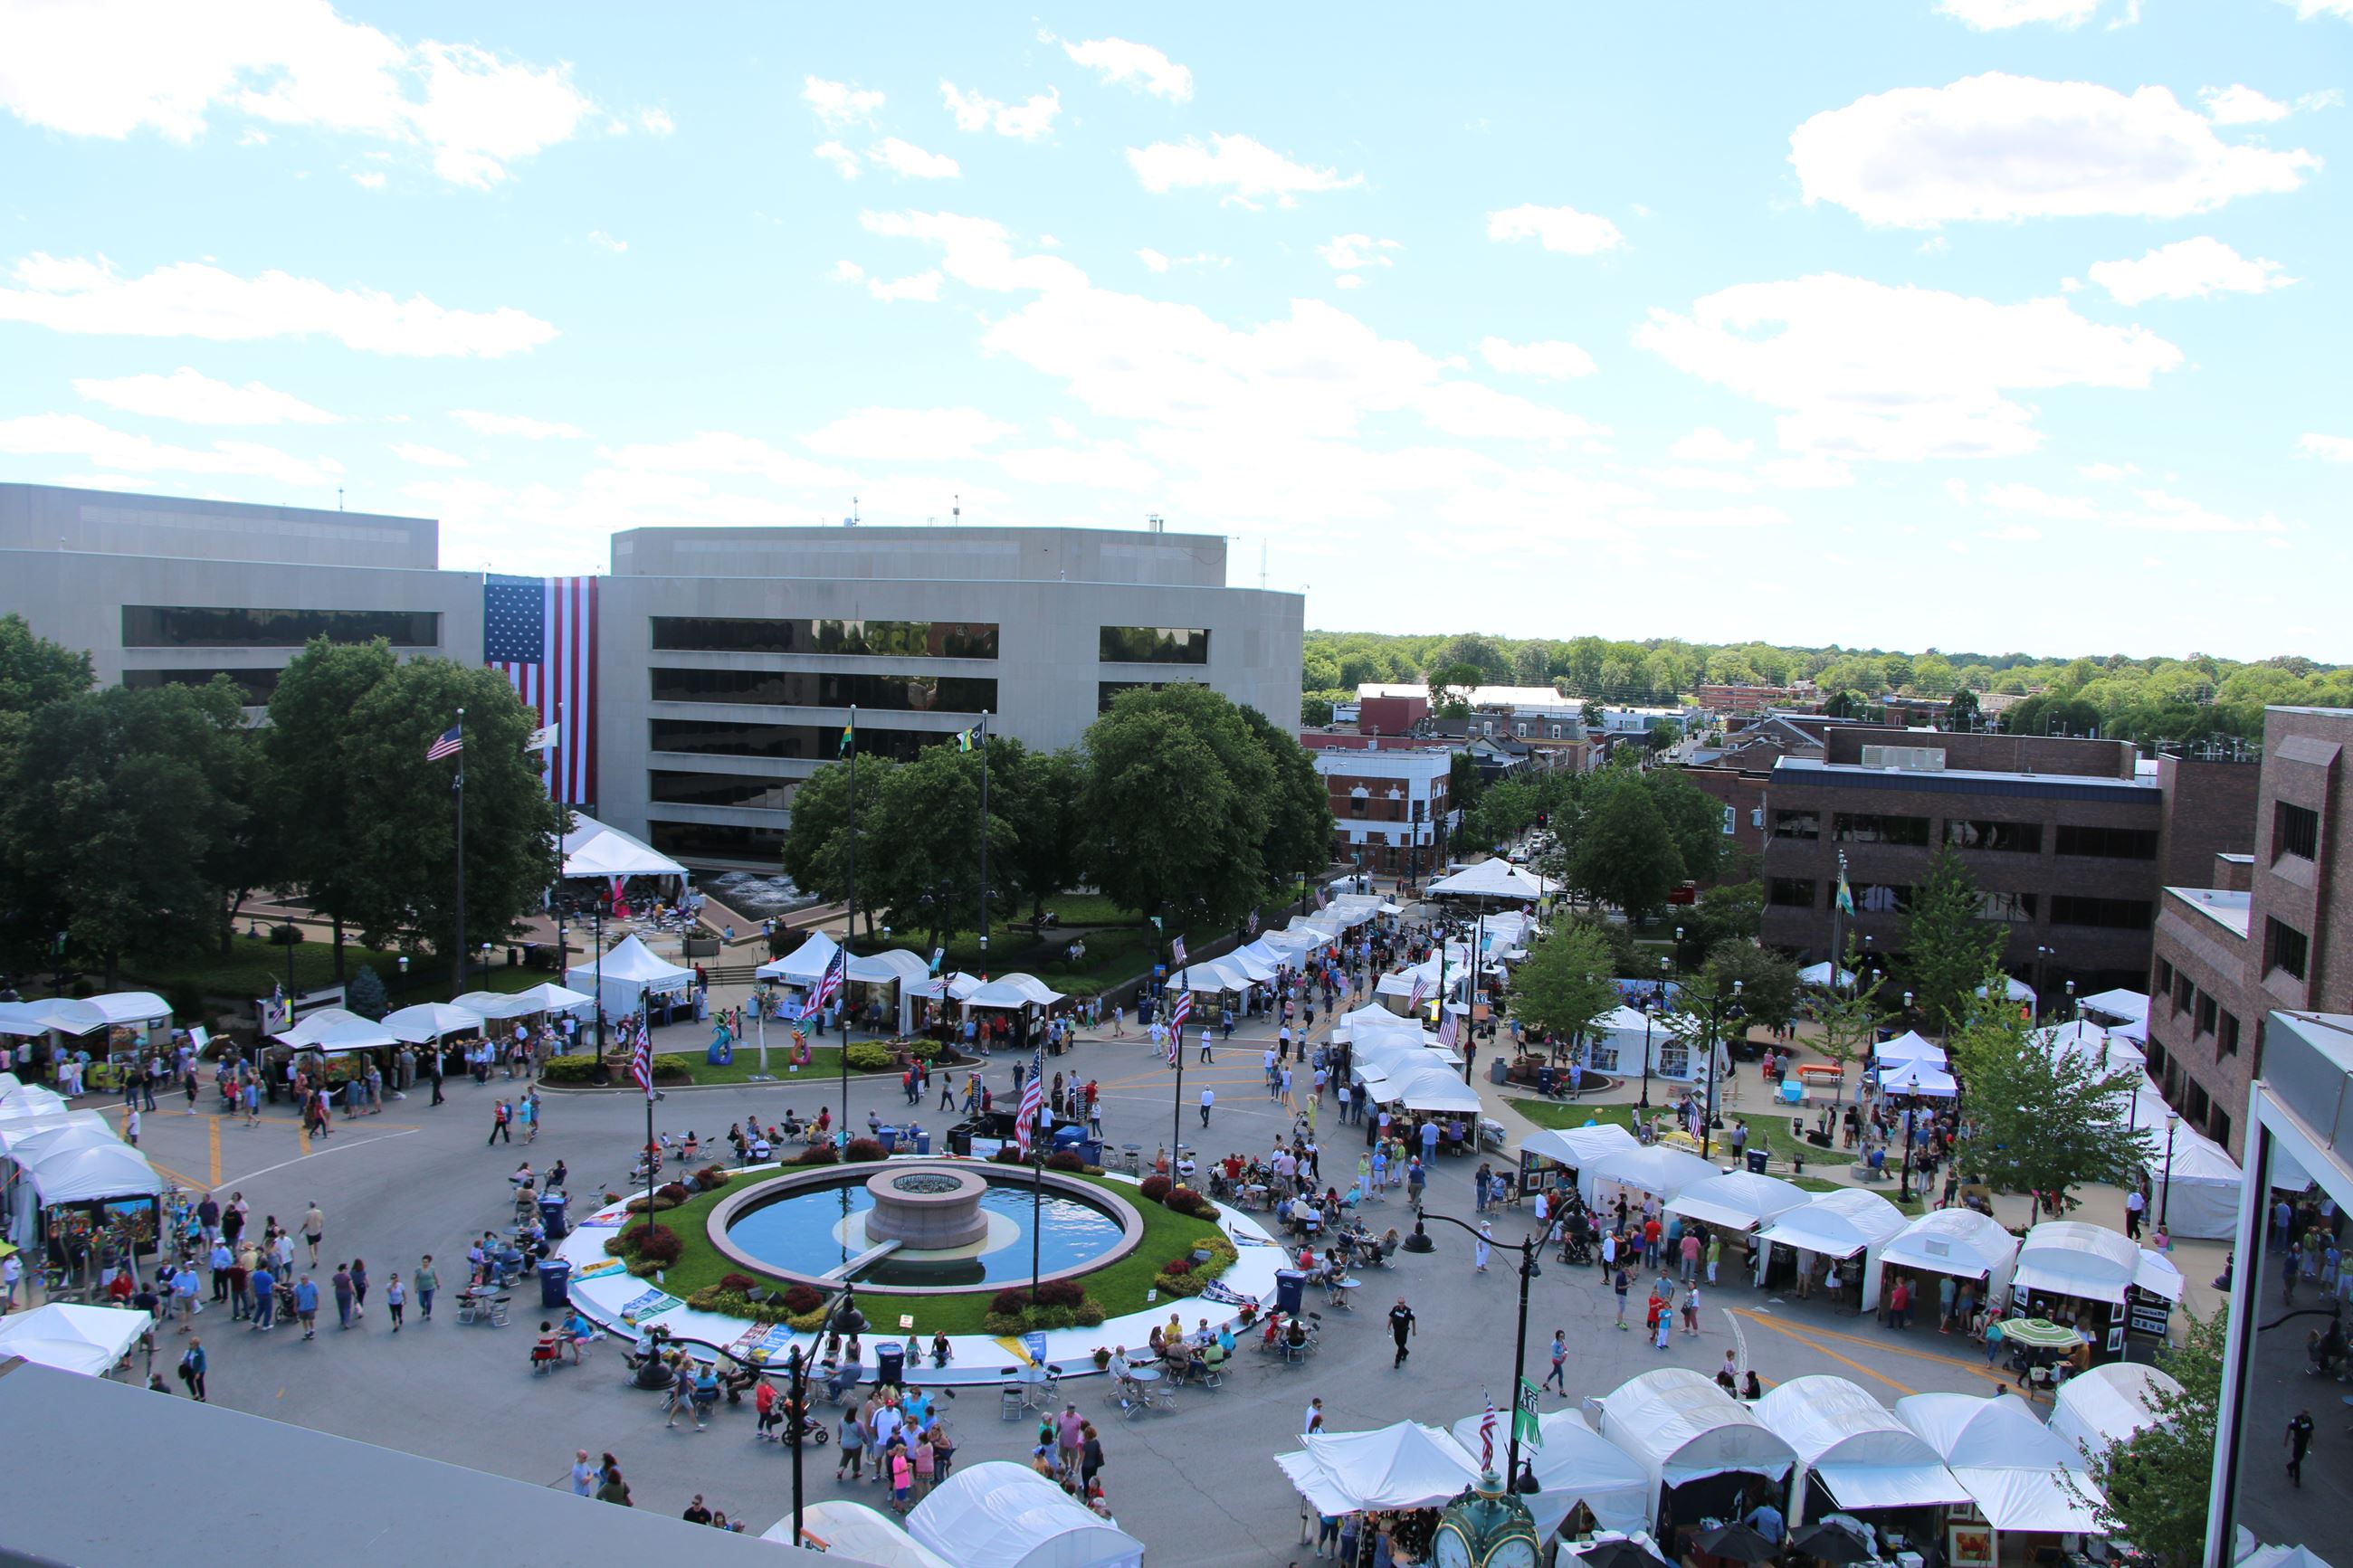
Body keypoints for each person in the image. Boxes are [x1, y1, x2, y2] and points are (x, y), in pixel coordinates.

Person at [2287, 1410, 2315, 1487]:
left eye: (2307, 1412)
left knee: (2300, 1458)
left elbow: (2310, 1431)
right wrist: (2286, 1440)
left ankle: (2290, 1466)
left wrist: (2312, 1441)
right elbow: (2289, 1427)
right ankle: (2297, 1480)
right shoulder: (2296, 1419)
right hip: (2297, 1442)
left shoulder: (2309, 1420)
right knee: (2297, 1460)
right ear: (2302, 1412)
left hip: (2304, 1443)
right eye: (2304, 1412)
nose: (2305, 1413)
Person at [176, 1336, 206, 1401]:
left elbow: (202, 1363)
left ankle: (202, 1396)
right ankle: (195, 1394)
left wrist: (198, 1373)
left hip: (198, 1370)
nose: (190, 1345)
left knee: (199, 1383)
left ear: (196, 1345)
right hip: (190, 1368)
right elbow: (188, 1356)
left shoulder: (200, 1351)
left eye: (191, 1344)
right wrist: (184, 1360)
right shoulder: (191, 1348)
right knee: (189, 1381)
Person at [1388, 1297, 1416, 1368]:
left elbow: (1413, 1319)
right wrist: (1388, 1326)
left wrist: (1414, 1330)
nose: (1401, 1304)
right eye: (1400, 1303)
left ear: (1404, 1303)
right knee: (1398, 1343)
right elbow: (1391, 1317)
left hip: (1404, 1331)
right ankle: (1405, 1352)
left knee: (1401, 1345)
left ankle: (1397, 1361)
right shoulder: (1395, 1309)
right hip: (1396, 1330)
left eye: (1402, 1303)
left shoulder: (1408, 1311)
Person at [1543, 1330, 1569, 1394]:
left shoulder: (1562, 1341)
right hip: (1557, 1361)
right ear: (1557, 1337)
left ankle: (1546, 1383)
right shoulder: (1555, 1344)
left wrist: (1566, 1353)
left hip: (1560, 1360)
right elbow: (1554, 1354)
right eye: (1561, 1336)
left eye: (1563, 1336)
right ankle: (1561, 1390)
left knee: (1554, 1372)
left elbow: (1565, 1348)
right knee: (1561, 1375)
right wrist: (1561, 1355)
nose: (1562, 1337)